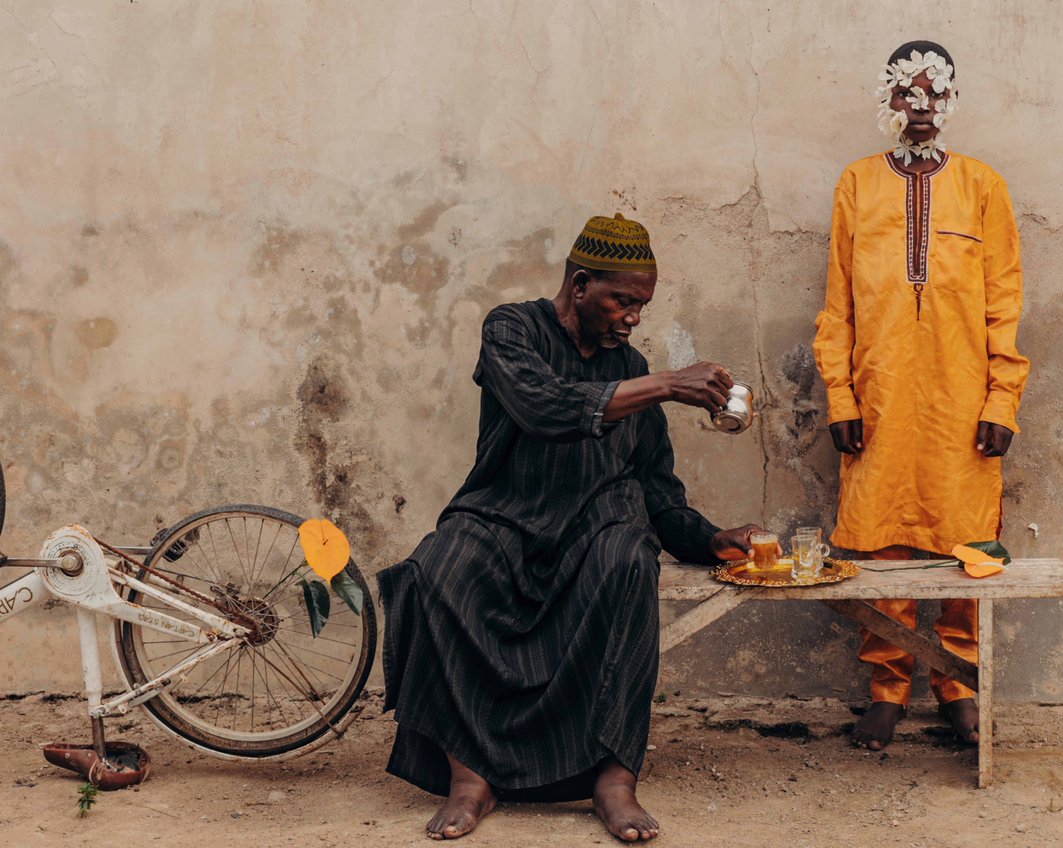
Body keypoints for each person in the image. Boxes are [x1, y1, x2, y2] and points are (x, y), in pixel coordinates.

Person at [378, 213, 768, 841]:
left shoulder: (631, 364)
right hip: (505, 512)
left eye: (642, 305)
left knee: (628, 560)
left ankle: (613, 779)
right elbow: (543, 406)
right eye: (623, 300)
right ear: (580, 284)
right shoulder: (513, 329)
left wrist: (709, 539)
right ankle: (468, 775)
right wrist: (667, 382)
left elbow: (658, 492)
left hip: (597, 523)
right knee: (436, 568)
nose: (633, 317)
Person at [813, 41, 1030, 751]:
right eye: (907, 92)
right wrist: (841, 398)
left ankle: (958, 684)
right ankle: (885, 689)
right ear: (887, 98)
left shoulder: (982, 185)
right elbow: (838, 304)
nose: (921, 106)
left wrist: (1001, 402)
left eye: (934, 93)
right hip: (879, 399)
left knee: (962, 545)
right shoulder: (856, 184)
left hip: (959, 403)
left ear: (952, 100)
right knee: (884, 550)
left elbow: (1004, 303)